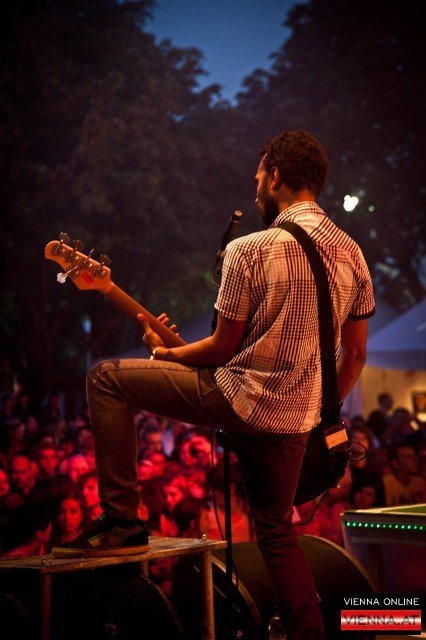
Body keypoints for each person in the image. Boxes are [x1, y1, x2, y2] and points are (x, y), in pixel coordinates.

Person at [52, 130, 375, 640]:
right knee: (276, 531)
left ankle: (122, 521)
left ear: (277, 177)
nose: (255, 188)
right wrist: (317, 411)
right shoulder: (353, 253)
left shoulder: (250, 249)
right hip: (297, 421)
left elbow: (222, 350)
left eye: (259, 178)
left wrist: (168, 355)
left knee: (106, 379)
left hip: (239, 398)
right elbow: (354, 355)